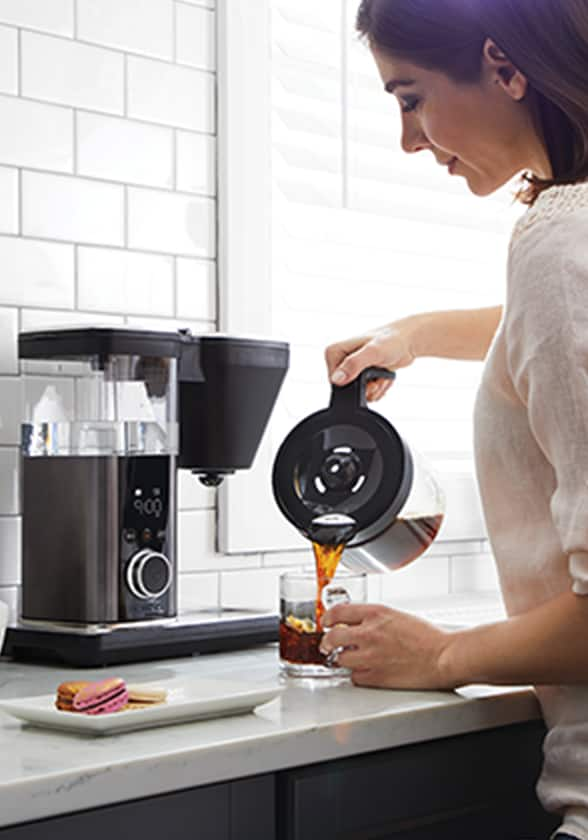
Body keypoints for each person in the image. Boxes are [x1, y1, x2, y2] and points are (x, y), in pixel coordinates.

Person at [317, 1, 588, 838]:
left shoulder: (556, 247)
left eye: (410, 97)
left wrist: (440, 655)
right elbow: (553, 323)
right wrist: (419, 337)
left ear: (505, 67)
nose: (408, 139)